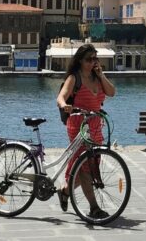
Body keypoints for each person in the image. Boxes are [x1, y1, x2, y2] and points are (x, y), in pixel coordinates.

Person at [56, 44, 116, 219]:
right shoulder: (75, 78)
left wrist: (101, 74)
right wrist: (64, 105)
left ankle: (65, 191)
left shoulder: (97, 78)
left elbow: (112, 92)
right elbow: (61, 96)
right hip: (78, 125)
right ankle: (94, 208)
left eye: (95, 59)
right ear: (80, 61)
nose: (92, 62)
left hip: (96, 125)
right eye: (89, 59)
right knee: (84, 167)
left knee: (91, 165)